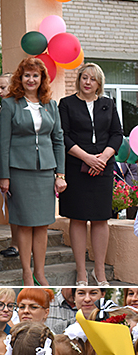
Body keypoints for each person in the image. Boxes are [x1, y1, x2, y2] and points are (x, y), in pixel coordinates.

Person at [0, 57, 66, 287]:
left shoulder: (51, 105)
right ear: (20, 77)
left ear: (42, 79)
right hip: (19, 171)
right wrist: (4, 176)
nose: (31, 79)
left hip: (45, 171)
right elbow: (3, 142)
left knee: (43, 223)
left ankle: (40, 272)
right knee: (25, 223)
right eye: (27, 75)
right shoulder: (9, 104)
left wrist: (60, 174)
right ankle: (27, 273)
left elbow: (58, 140)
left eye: (35, 75)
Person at [59, 63, 123, 287]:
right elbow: (63, 135)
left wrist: (102, 158)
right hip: (77, 166)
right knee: (77, 218)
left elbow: (117, 134)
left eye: (92, 79)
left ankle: (99, 273)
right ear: (78, 80)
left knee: (100, 218)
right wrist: (86, 157)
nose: (87, 82)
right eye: (84, 77)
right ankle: (81, 274)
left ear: (99, 83)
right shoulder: (66, 104)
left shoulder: (108, 103)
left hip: (103, 167)